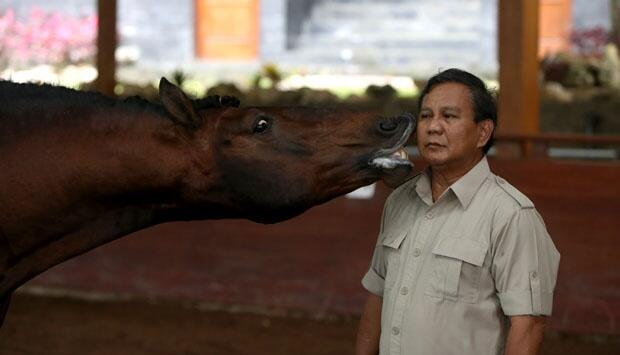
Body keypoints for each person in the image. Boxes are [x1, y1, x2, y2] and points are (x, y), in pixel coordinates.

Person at [355, 68, 560, 355]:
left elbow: (528, 327)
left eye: (448, 116)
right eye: (426, 116)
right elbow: (377, 296)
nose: (433, 127)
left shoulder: (511, 215)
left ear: (483, 132)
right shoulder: (399, 200)